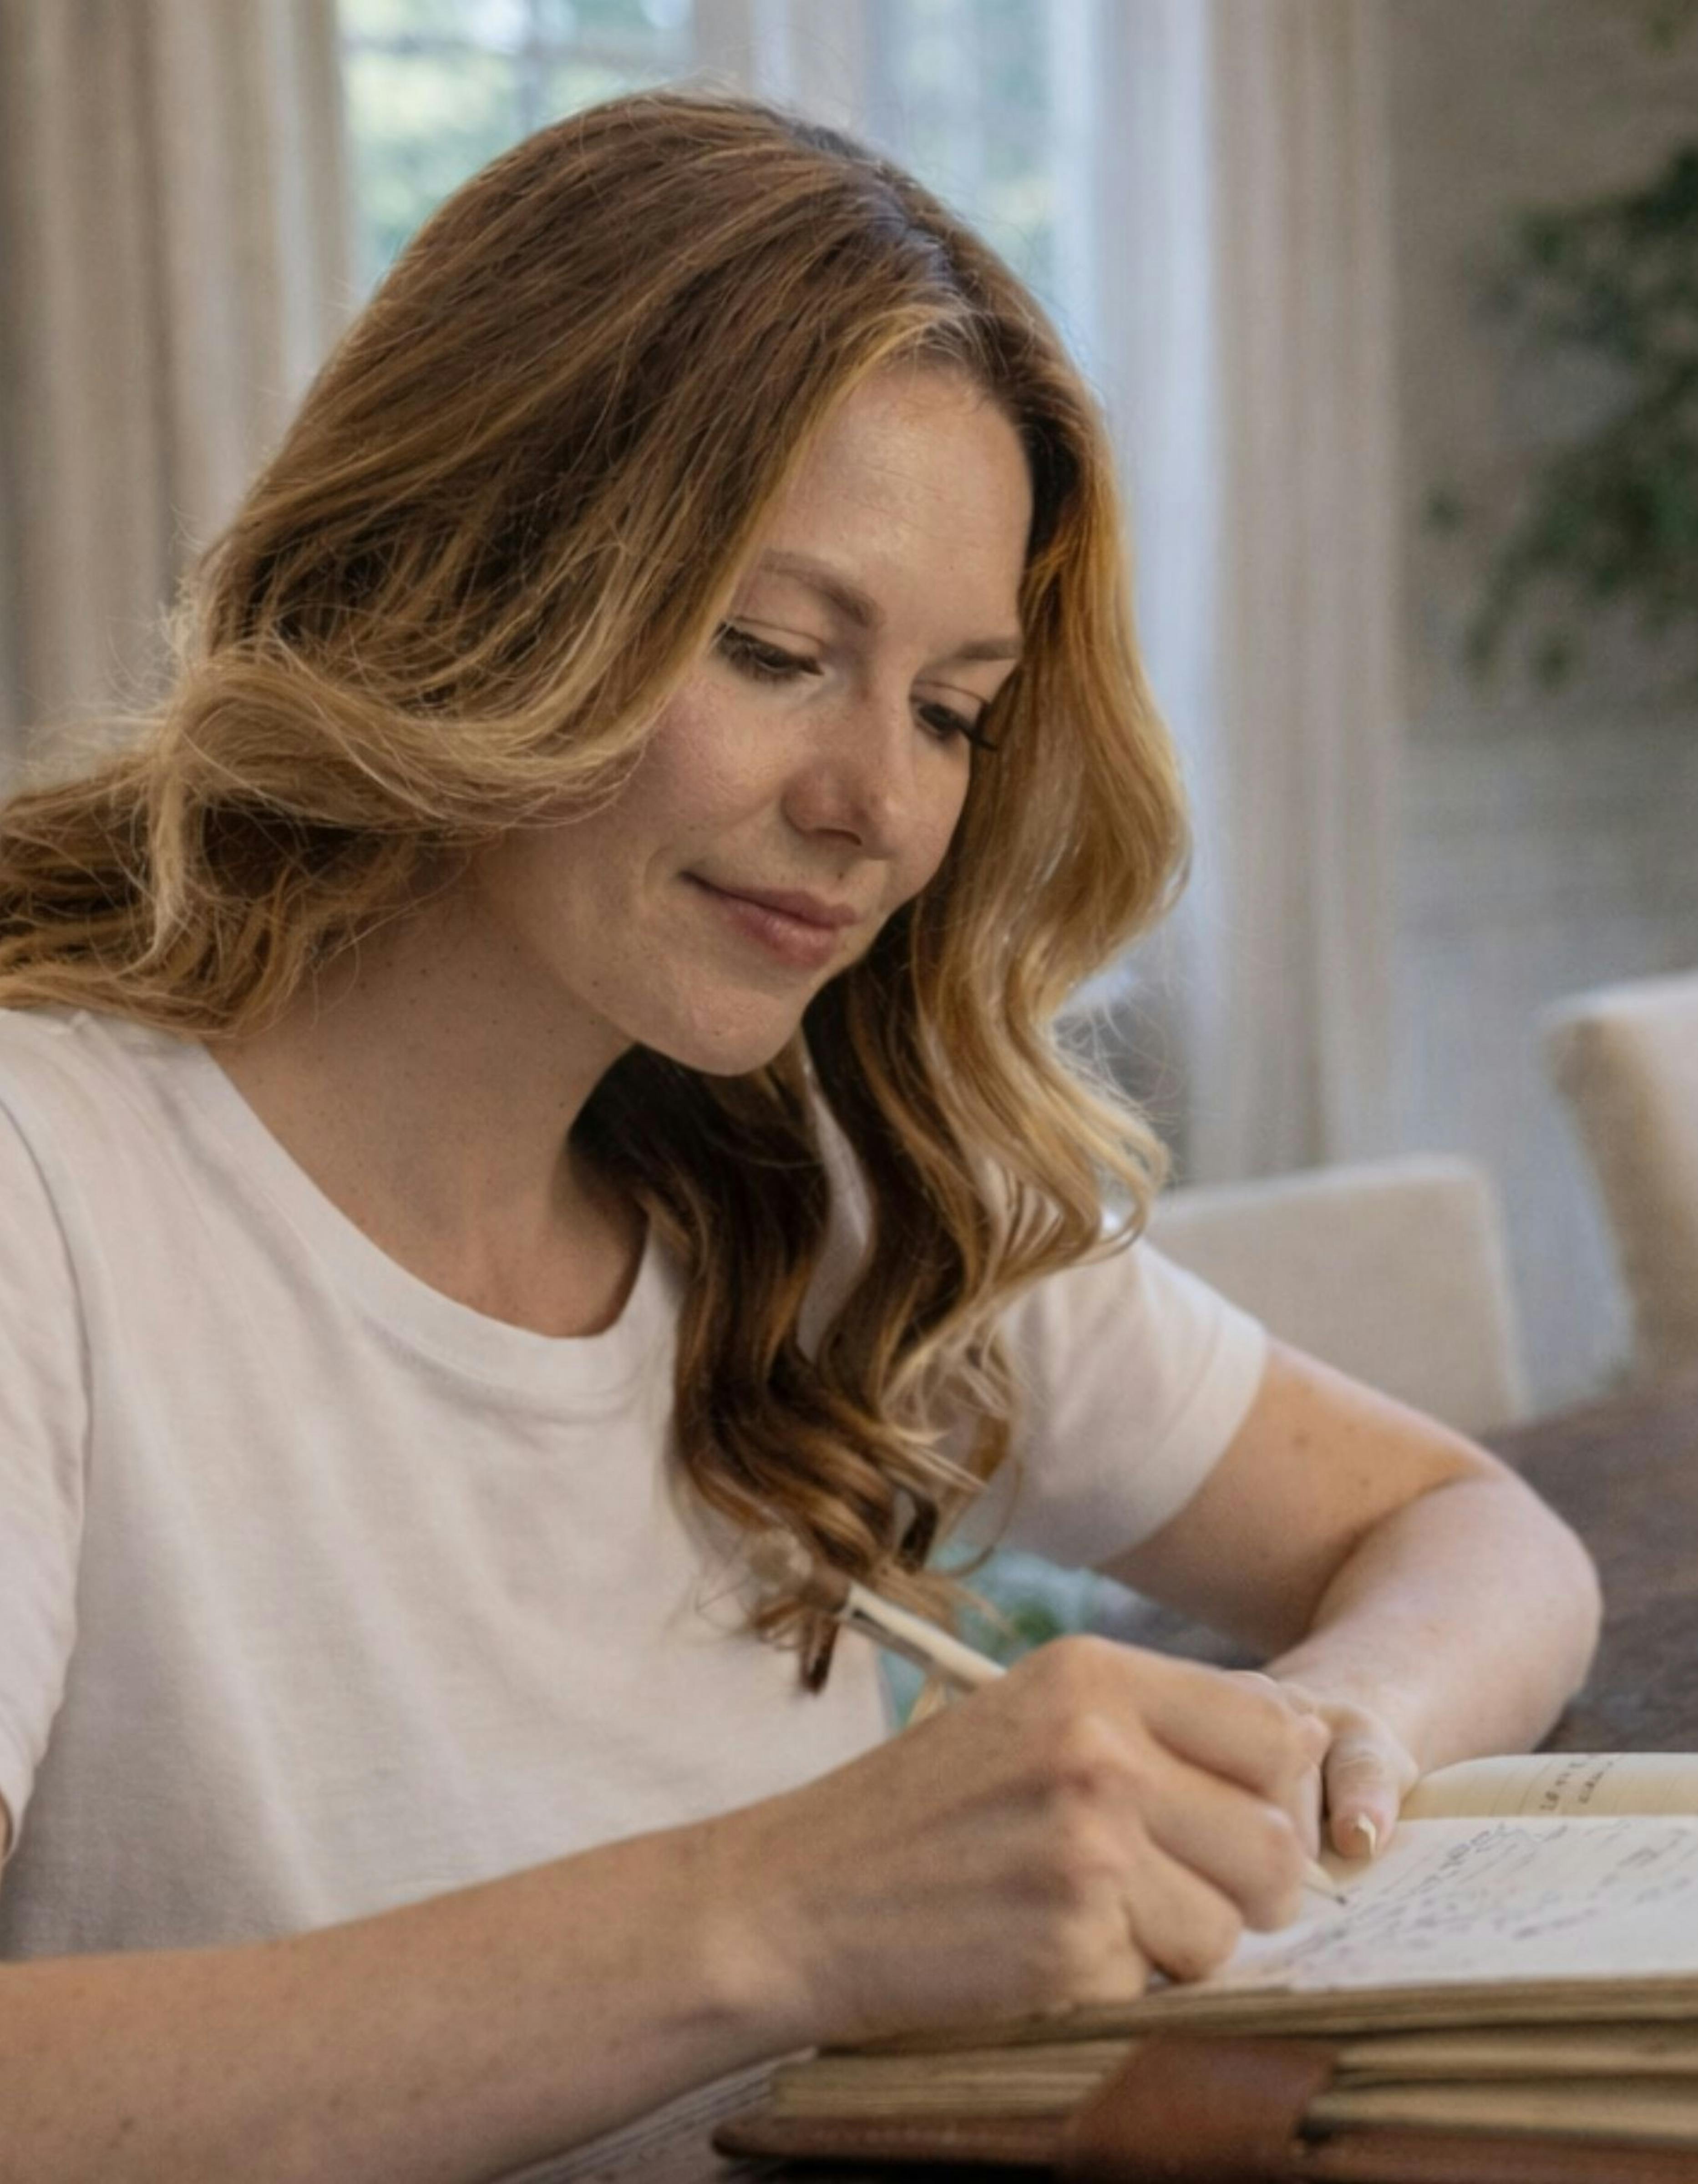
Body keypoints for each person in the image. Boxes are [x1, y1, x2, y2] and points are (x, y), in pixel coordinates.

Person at [0, 90, 1598, 2184]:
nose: (883, 807)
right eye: (774, 653)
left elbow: (1483, 1540)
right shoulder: (53, 1181)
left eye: (950, 707)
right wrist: (783, 1914)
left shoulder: (810, 1183)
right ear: (464, 578)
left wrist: (1310, 1761)